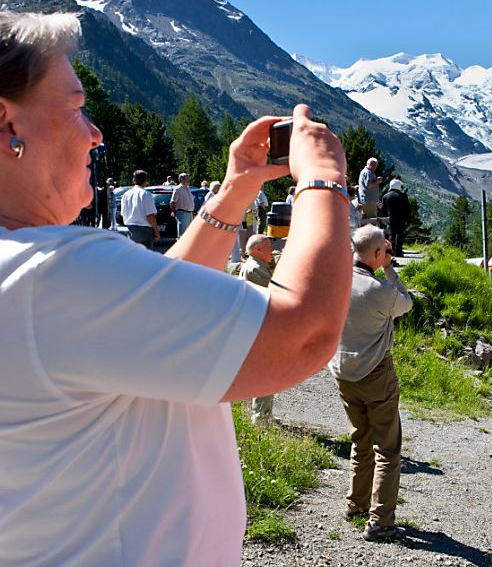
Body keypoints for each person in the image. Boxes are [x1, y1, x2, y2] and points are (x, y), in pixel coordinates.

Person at [0, 12, 353, 566]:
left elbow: (156, 304)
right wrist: (324, 182)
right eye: (74, 107)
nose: (94, 132)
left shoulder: (27, 275)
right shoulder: (49, 273)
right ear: (6, 123)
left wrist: (234, 191)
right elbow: (304, 333)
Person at [329, 224, 413, 542]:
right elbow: (406, 302)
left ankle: (356, 504)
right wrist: (390, 269)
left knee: (359, 439)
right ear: (378, 254)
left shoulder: (335, 282)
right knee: (387, 449)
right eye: (384, 252)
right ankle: (380, 522)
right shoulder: (380, 291)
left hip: (343, 373)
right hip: (375, 374)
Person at [238, 234, 276, 426]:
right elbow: (275, 292)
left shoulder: (257, 265)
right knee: (265, 372)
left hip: (257, 325)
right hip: (258, 328)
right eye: (269, 246)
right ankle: (261, 418)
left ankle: (264, 413)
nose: (273, 249)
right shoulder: (254, 269)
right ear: (257, 249)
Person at [120, 169, 159, 248]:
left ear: (133, 180)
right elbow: (150, 215)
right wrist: (156, 231)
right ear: (146, 181)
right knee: (146, 257)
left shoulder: (126, 194)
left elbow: (123, 213)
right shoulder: (146, 194)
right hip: (144, 231)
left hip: (130, 229)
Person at [381, 178, 411, 256]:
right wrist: (407, 218)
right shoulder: (402, 196)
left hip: (390, 218)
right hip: (401, 218)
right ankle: (398, 251)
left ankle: (391, 251)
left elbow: (383, 210)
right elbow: (407, 208)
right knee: (400, 234)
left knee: (392, 235)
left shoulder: (386, 196)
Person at [358, 157, 383, 222]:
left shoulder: (364, 171)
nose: (375, 168)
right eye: (374, 165)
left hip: (366, 200)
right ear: (369, 164)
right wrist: (378, 181)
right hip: (369, 201)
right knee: (372, 221)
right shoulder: (368, 172)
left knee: (366, 220)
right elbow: (369, 185)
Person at [171, 172, 196, 236]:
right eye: (186, 178)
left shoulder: (187, 188)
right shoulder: (178, 189)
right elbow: (172, 202)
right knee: (183, 235)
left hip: (190, 213)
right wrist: (174, 212)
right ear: (181, 179)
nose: (188, 179)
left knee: (190, 234)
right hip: (182, 213)